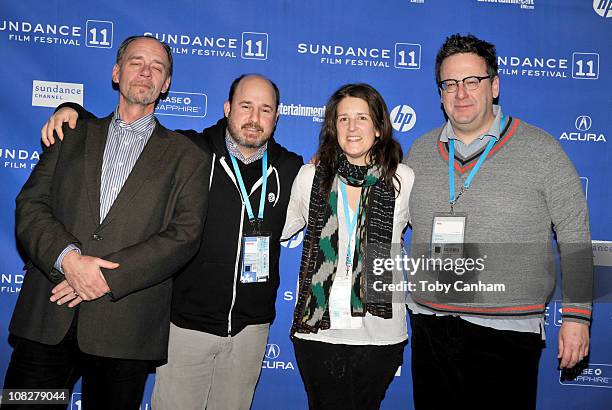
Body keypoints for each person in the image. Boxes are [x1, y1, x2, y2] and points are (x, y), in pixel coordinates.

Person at [40, 74, 303, 410]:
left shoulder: (292, 167)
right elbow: (126, 133)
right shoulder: (187, 150)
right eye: (245, 106)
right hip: (185, 326)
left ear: (277, 116)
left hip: (250, 331)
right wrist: (72, 110)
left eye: (265, 110)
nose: (254, 118)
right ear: (227, 109)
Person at [3, 35, 210, 409]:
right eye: (136, 62)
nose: (145, 72)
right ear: (117, 72)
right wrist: (69, 260)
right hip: (47, 320)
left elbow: (184, 236)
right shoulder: (70, 135)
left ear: (166, 85)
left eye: (157, 68)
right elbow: (30, 205)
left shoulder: (188, 157)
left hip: (124, 332)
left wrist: (102, 277)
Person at [404, 34, 593, 410]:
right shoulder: (420, 151)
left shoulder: (541, 150)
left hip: (506, 331)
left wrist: (577, 317)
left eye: (472, 81)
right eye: (450, 84)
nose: (461, 93)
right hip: (430, 325)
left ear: (494, 85)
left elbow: (574, 232)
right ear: (440, 93)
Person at [282, 83, 414, 410]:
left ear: (380, 128)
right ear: (333, 127)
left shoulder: (405, 180)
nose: (352, 128)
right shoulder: (311, 177)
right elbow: (279, 229)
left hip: (380, 332)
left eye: (362, 118)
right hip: (319, 333)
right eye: (343, 119)